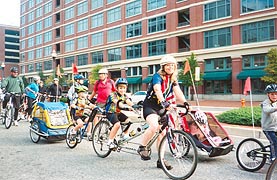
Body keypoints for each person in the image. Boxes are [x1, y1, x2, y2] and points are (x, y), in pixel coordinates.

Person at [137, 55, 189, 170]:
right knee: (154, 126)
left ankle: (161, 159)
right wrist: (164, 102)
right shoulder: (158, 76)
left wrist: (185, 103)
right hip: (150, 106)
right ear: (163, 66)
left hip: (162, 108)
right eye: (167, 65)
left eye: (172, 65)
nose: (170, 67)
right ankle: (142, 147)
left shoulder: (173, 79)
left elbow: (178, 91)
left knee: (162, 134)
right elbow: (157, 89)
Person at [105, 78, 137, 149]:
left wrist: (134, 106)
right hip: (110, 112)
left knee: (128, 121)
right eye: (120, 88)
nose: (122, 90)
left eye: (124, 88)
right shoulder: (113, 95)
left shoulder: (124, 96)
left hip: (118, 112)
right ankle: (110, 142)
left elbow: (128, 101)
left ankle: (124, 135)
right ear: (116, 88)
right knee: (117, 124)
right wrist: (125, 107)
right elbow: (118, 102)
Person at [261, 84, 277, 162]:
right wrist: (275, 108)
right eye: (272, 94)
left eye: (276, 94)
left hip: (275, 127)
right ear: (268, 95)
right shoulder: (266, 103)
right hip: (268, 128)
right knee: (274, 142)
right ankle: (273, 159)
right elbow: (267, 110)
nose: (274, 96)